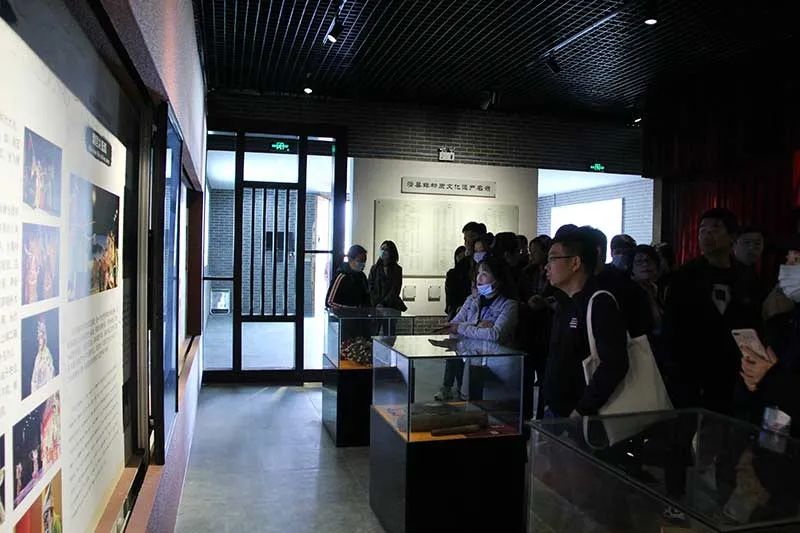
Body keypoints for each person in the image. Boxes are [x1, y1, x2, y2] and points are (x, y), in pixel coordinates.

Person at [662, 208, 762, 414]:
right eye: (702, 230)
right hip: (692, 372)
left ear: (732, 236)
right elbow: (672, 327)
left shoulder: (746, 277)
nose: (707, 235)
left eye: (715, 229)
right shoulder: (684, 276)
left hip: (734, 372)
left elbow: (754, 323)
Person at [542, 228, 629, 417]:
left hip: (582, 416)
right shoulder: (564, 303)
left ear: (575, 263)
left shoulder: (599, 302)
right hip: (556, 410)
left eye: (553, 258)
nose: (546, 267)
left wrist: (582, 410)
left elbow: (615, 363)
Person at [436, 256, 518, 400]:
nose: (479, 278)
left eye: (484, 273)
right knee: (473, 403)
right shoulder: (472, 300)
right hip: (473, 362)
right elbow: (453, 325)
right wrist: (476, 325)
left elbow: (495, 334)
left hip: (498, 367)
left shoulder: (509, 305)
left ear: (498, 278)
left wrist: (463, 328)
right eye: (478, 273)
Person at [585, 227, 653, 338]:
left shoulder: (636, 277)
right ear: (611, 253)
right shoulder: (601, 274)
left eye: (626, 253)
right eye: (618, 252)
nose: (622, 256)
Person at [518, 235, 554, 419]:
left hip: (547, 331)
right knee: (525, 378)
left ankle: (541, 418)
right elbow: (518, 297)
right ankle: (524, 419)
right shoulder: (526, 273)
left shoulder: (554, 273)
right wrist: (528, 303)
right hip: (528, 330)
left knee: (545, 378)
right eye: (530, 251)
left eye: (535, 252)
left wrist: (546, 303)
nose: (531, 255)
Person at [631, 244, 665, 335]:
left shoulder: (656, 289)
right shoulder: (628, 292)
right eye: (639, 261)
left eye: (649, 260)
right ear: (632, 267)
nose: (645, 264)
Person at [368, 240, 406, 311]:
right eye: (382, 249)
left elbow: (395, 289)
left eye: (386, 250)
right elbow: (370, 287)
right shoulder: (374, 268)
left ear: (391, 252)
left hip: (392, 306)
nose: (383, 251)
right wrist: (377, 303)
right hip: (376, 306)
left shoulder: (397, 269)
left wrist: (383, 303)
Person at [31, 317, 55, 393]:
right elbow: (34, 380)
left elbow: (50, 376)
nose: (39, 340)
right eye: (38, 337)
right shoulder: (38, 357)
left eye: (41, 337)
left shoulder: (47, 355)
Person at [444, 246, 466, 320]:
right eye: (459, 256)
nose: (461, 259)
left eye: (463, 257)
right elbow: (449, 292)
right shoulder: (452, 273)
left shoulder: (470, 273)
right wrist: (449, 307)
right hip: (454, 306)